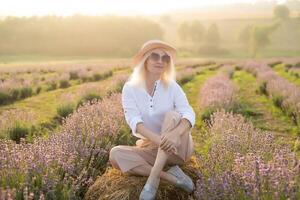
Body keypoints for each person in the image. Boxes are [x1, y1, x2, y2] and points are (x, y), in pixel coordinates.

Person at [109, 39, 196, 200]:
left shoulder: (172, 86)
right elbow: (133, 119)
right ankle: (173, 177)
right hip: (153, 148)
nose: (160, 61)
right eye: (155, 56)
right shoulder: (130, 89)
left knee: (172, 116)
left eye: (165, 58)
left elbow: (188, 112)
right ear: (145, 60)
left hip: (178, 148)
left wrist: (176, 134)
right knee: (115, 155)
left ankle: (152, 180)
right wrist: (158, 140)